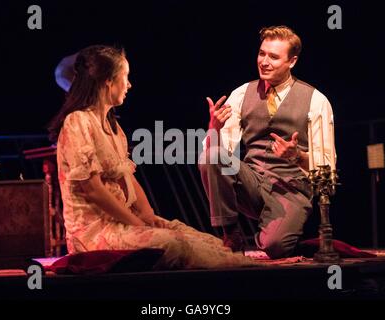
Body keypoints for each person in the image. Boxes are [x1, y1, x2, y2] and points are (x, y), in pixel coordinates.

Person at [48, 45, 259, 269]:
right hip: (94, 231)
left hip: (121, 222)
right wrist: (138, 225)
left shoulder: (113, 127)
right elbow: (93, 189)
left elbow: (127, 178)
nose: (129, 85)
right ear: (108, 80)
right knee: (173, 245)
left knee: (205, 242)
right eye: (125, 77)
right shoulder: (77, 121)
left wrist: (150, 217)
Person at [199, 26, 336, 259]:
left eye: (273, 56)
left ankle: (277, 230)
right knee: (210, 155)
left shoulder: (316, 100)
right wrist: (214, 128)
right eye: (262, 54)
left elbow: (327, 165)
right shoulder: (243, 93)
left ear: (292, 61)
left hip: (291, 189)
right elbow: (217, 156)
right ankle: (231, 232)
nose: (264, 61)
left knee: (275, 247)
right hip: (253, 183)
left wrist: (297, 156)